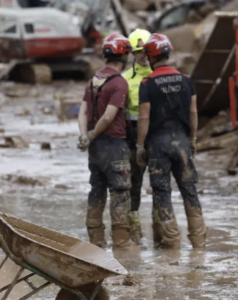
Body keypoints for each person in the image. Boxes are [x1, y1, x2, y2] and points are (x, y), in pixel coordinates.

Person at [136, 33, 207, 249]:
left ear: (150, 57)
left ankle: (173, 242)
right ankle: (198, 241)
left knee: (162, 192)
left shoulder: (147, 83)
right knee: (189, 190)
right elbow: (193, 112)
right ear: (167, 53)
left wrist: (140, 145)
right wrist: (192, 139)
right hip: (183, 143)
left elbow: (144, 117)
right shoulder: (186, 80)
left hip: (158, 146)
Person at [76, 33, 134, 249]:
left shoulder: (94, 80)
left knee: (96, 190)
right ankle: (121, 243)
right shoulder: (119, 82)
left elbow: (82, 111)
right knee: (119, 192)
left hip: (95, 149)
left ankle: (96, 244)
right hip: (113, 145)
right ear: (124, 56)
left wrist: (85, 135)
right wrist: (93, 134)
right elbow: (109, 116)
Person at [122, 28, 153, 245]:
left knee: (161, 184)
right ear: (132, 53)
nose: (143, 55)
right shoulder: (124, 79)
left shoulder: (158, 76)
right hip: (133, 138)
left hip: (157, 137)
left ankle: (163, 233)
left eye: (146, 51)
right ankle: (134, 230)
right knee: (135, 183)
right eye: (139, 51)